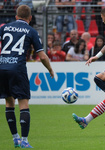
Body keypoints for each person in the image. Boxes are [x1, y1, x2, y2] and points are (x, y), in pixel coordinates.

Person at [0, 5, 54, 148]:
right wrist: (50, 69)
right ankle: (24, 140)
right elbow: (42, 56)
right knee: (23, 104)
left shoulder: (4, 27)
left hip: (2, 67)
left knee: (9, 103)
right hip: (18, 68)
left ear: (16, 17)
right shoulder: (31, 31)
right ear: (30, 18)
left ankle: (15, 138)